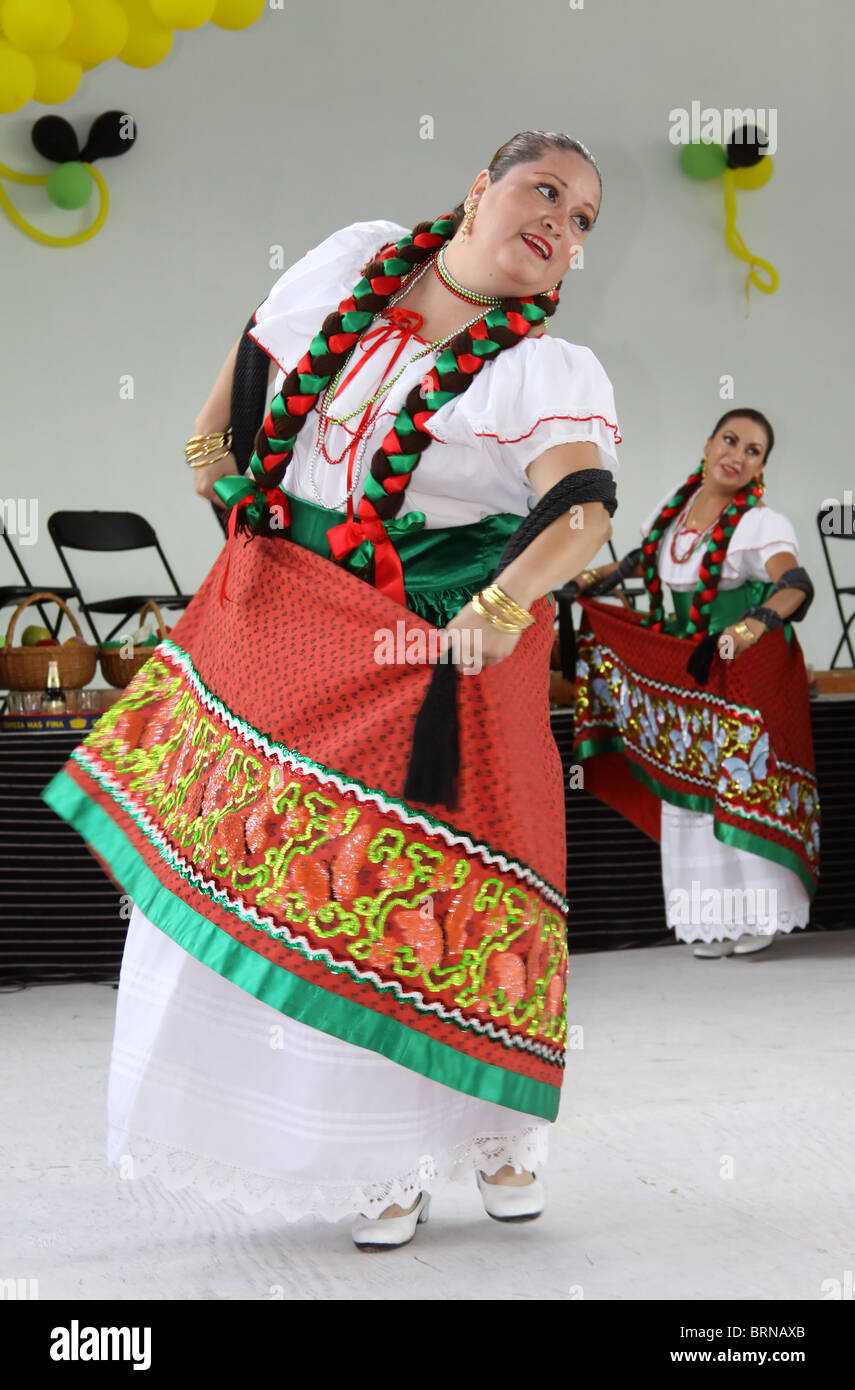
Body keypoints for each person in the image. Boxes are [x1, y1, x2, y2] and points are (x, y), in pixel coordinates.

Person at [41, 130, 622, 1251]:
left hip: (440, 660)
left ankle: (450, 1149)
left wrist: (493, 617)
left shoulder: (547, 372)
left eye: (585, 219)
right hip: (287, 618)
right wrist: (239, 521)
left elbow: (584, 514)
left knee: (412, 909)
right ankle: (357, 1148)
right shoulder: (351, 265)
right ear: (477, 191)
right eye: (544, 189)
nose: (562, 221)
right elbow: (222, 424)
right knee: (256, 866)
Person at [569, 409, 819, 960]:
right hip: (681, 671)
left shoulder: (760, 524)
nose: (737, 454)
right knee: (689, 793)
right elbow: (649, 563)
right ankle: (712, 922)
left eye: (753, 450)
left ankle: (760, 916)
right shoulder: (671, 513)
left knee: (736, 785)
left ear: (760, 467)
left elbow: (794, 584)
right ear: (708, 444)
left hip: (734, 673)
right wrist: (598, 578)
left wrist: (754, 624)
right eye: (730, 440)